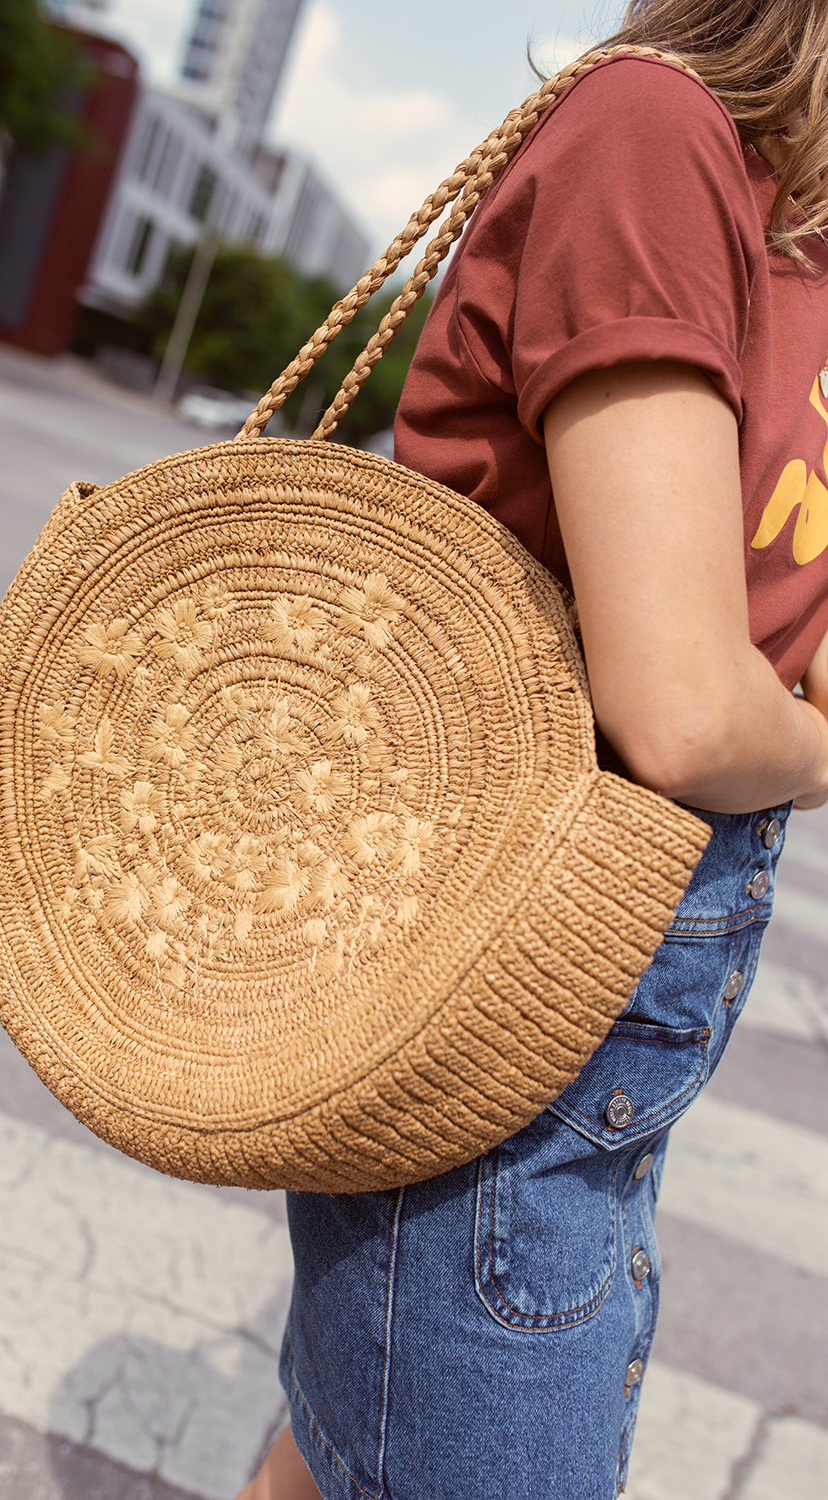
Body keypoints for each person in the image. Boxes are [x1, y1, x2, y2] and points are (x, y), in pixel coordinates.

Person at [235, 2, 828, 1495]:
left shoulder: (797, 227)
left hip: (627, 1006)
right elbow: (688, 708)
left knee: (346, 1424)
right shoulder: (661, 135)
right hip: (514, 977)